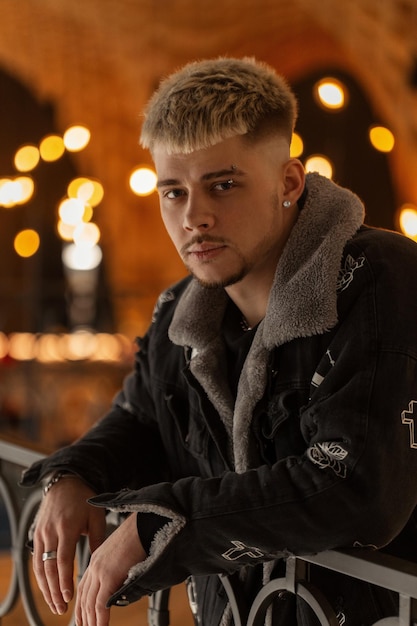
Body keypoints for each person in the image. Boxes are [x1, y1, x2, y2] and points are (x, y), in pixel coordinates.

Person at [21, 56, 417, 626]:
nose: (194, 218)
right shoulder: (177, 312)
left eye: (222, 185)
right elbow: (140, 420)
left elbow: (355, 490)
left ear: (289, 182)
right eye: (173, 192)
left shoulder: (382, 279)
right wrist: (73, 475)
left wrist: (167, 523)